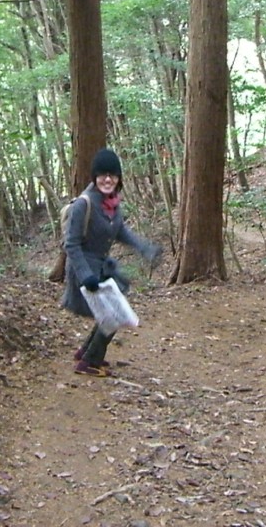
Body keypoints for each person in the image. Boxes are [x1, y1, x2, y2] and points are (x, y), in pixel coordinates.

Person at [62, 148, 162, 377]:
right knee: (113, 314)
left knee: (113, 311)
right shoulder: (83, 204)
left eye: (112, 175)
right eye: (102, 175)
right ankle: (89, 362)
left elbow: (120, 231)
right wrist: (86, 276)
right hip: (84, 271)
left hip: (101, 267)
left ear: (118, 178)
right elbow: (71, 245)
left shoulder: (113, 202)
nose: (108, 179)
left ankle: (87, 351)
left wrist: (144, 248)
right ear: (95, 177)